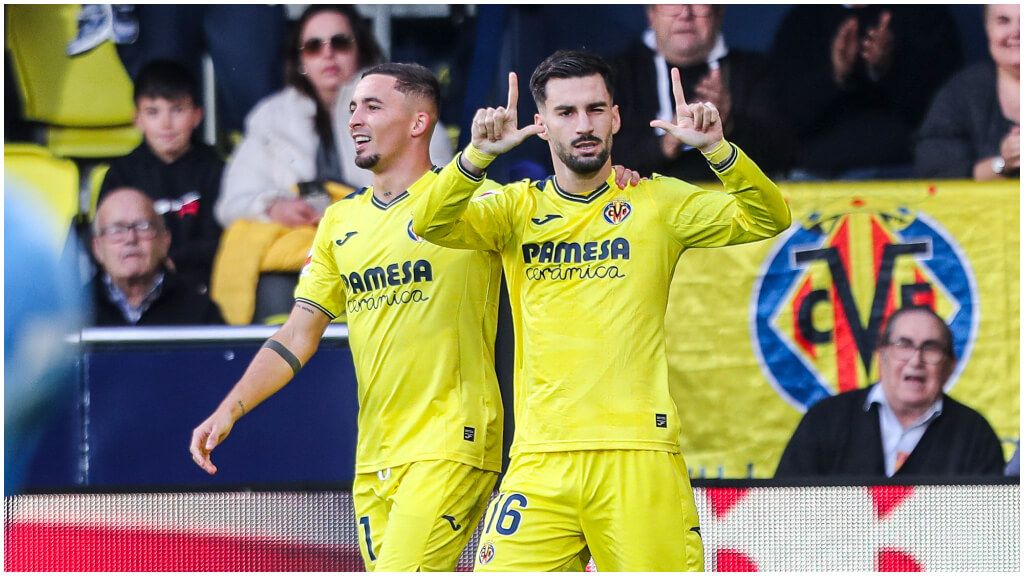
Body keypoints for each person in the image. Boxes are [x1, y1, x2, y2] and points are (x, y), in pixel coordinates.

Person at [413, 50, 791, 571]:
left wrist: (719, 151)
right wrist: (474, 159)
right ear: (541, 125)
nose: (584, 125)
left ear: (616, 117)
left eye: (595, 110)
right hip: (541, 458)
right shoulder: (513, 209)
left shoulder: (658, 202)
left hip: (638, 454)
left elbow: (769, 218)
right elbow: (429, 225)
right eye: (566, 113)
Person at [211, 5, 452, 324]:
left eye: (339, 43)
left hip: (382, 251)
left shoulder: (405, 102)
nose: (327, 55)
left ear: (361, 49)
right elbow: (232, 203)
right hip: (301, 255)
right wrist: (272, 207)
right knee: (270, 278)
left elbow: (438, 186)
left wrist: (357, 215)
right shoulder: (270, 117)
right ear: (299, 60)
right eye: (313, 46)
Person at [775, 307, 1005, 478]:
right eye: (903, 345)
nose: (916, 360)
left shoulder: (975, 434)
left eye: (930, 348)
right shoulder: (825, 419)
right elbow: (783, 510)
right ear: (881, 355)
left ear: (950, 366)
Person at [768, 5, 962, 180]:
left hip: (902, 172)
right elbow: (787, 115)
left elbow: (944, 113)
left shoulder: (925, 13)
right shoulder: (804, 19)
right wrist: (835, 74)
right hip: (820, 177)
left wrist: (887, 68)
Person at [613, 4, 793, 182]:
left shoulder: (755, 72)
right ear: (651, 13)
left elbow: (786, 156)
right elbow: (599, 157)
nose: (685, 13)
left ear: (718, 13)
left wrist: (729, 124)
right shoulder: (615, 74)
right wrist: (665, 144)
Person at [100, 59, 224, 292]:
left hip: (202, 286)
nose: (166, 124)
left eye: (177, 110)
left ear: (197, 116)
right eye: (153, 112)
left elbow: (222, 241)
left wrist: (173, 261)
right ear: (137, 119)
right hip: (137, 285)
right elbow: (106, 240)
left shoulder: (215, 169)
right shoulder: (121, 174)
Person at [90, 188, 224, 326]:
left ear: (165, 241)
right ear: (97, 247)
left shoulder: (201, 310)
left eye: (143, 227)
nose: (131, 238)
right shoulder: (73, 307)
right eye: (116, 230)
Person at [915, 4, 1020, 180]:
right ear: (987, 29)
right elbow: (936, 172)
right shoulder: (962, 91)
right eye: (1003, 21)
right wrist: (1002, 164)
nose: (1016, 32)